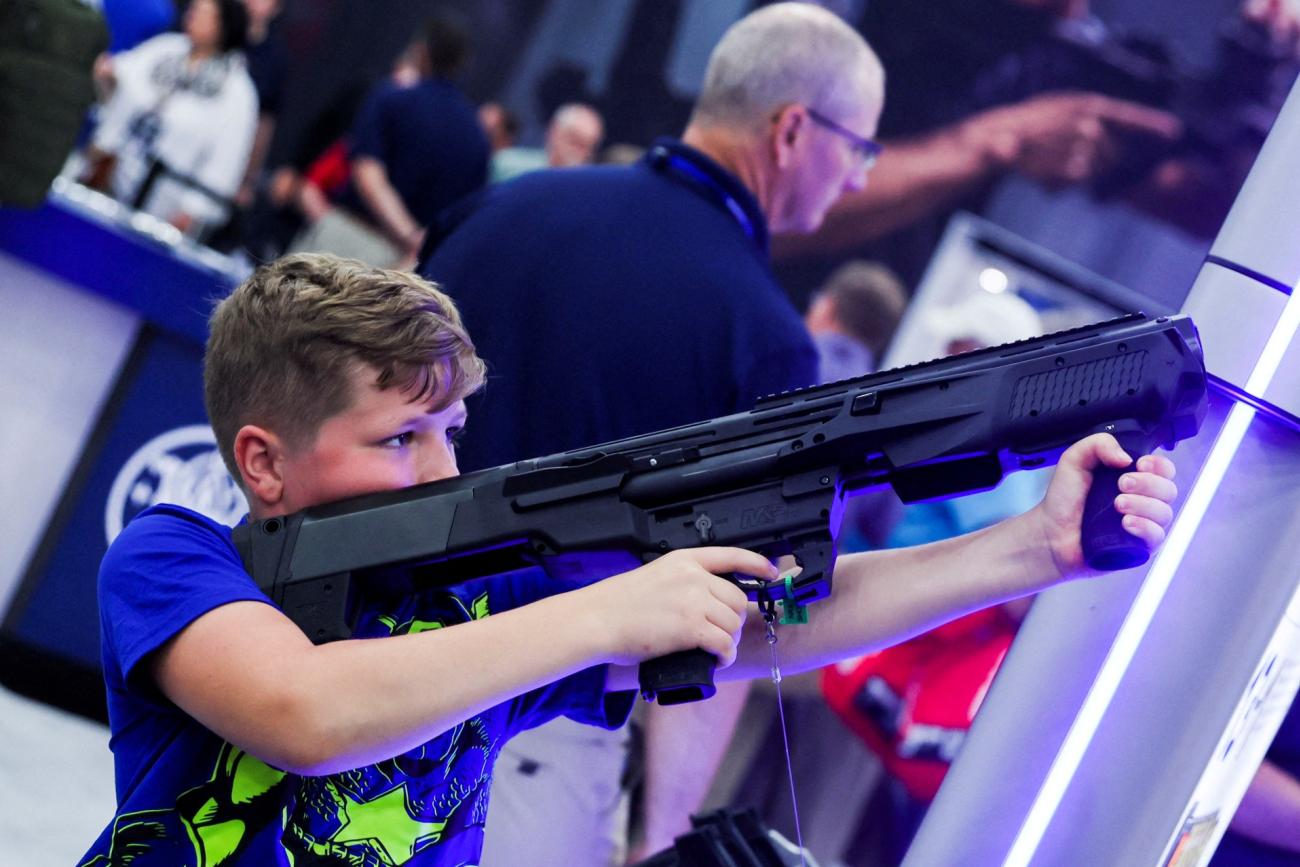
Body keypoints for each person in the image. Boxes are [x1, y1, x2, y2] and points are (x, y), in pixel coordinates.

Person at [78, 251, 1178, 867]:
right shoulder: (174, 558)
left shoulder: (483, 603)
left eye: (450, 432)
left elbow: (776, 627)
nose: (435, 467)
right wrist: (611, 611)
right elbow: (303, 715)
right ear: (262, 465)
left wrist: (1032, 547)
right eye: (396, 438)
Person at [418, 4, 1162, 863]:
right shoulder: (760, 331)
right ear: (792, 132)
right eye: (859, 148)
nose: (855, 180)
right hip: (529, 739)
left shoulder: (505, 203)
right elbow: (747, 615)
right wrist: (659, 833)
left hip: (362, 677)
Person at [78, 0, 258, 239]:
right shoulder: (166, 49)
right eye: (194, 8)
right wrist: (107, 73)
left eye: (204, 13)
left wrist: (192, 213)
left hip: (163, 211)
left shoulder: (237, 93)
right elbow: (121, 76)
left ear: (224, 26)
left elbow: (225, 166)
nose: (192, 15)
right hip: (108, 176)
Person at [343, 13, 490, 266]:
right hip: (408, 269)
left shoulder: (392, 98)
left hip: (351, 238)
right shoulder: (478, 138)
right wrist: (418, 245)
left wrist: (409, 234)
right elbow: (462, 215)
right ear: (461, 63)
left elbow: (367, 174)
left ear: (420, 50)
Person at [490, 102, 606, 183]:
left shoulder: (584, 193)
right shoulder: (506, 164)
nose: (577, 151)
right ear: (554, 132)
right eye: (574, 141)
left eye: (586, 146)